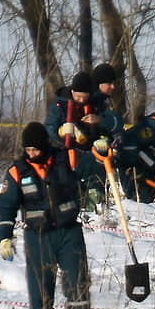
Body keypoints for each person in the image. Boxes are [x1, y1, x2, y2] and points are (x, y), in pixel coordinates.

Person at [0, 122, 91, 309]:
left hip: (68, 232)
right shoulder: (16, 172)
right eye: (27, 149)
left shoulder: (66, 159)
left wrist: (90, 142)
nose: (31, 153)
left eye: (35, 149)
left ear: (45, 145)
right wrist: (4, 237)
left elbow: (95, 161)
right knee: (39, 284)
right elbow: (6, 206)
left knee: (77, 278)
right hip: (37, 235)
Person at [45, 71, 123, 211]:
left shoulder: (98, 105)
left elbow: (117, 122)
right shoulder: (59, 105)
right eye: (78, 97)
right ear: (72, 91)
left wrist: (101, 121)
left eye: (84, 97)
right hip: (65, 155)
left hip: (91, 155)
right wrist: (60, 132)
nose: (81, 100)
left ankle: (94, 208)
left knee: (96, 174)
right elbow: (49, 128)